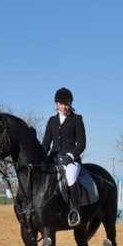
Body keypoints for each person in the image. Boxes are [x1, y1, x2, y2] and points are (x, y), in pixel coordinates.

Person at [42, 87, 86, 227]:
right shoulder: (51, 121)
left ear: (70, 103)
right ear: (56, 104)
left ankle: (75, 211)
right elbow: (45, 144)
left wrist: (71, 155)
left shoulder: (76, 119)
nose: (64, 106)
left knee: (70, 177)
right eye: (61, 104)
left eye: (66, 103)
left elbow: (82, 143)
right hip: (54, 158)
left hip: (71, 159)